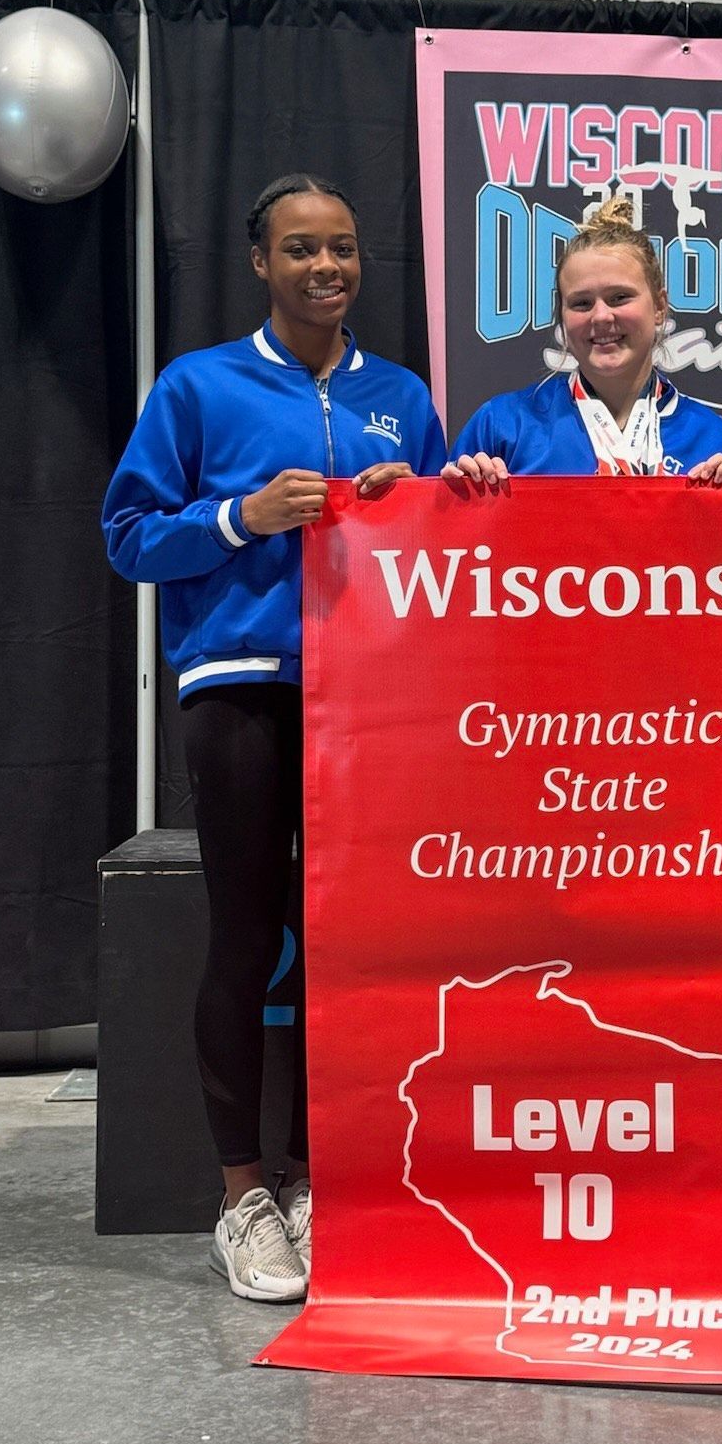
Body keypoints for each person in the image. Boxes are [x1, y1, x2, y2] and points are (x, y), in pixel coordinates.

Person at [102, 173, 447, 1303]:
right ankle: (242, 1191)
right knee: (248, 937)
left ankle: (321, 1179)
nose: (325, 267)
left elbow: (449, 546)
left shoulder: (400, 394)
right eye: (301, 248)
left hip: (372, 697)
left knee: (346, 944)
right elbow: (129, 536)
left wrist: (413, 503)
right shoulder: (198, 385)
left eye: (342, 247)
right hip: (244, 687)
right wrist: (239, 517)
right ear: (261, 262)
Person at [444, 194, 722, 483]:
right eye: (581, 303)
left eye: (619, 297)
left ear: (659, 307)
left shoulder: (715, 443)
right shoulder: (503, 428)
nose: (601, 316)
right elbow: (442, 535)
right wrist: (467, 504)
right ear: (562, 316)